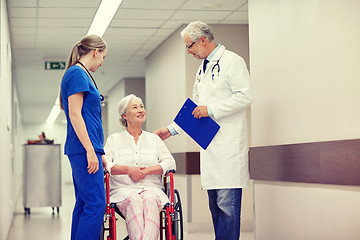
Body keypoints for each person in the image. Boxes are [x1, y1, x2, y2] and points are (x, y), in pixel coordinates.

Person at [153, 21, 252, 240]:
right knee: (216, 208)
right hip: (210, 149)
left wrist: (212, 110)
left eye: (189, 46)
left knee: (228, 210)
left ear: (203, 40)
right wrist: (171, 130)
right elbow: (194, 108)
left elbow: (245, 96)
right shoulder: (203, 68)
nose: (188, 51)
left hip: (228, 149)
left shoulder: (232, 61)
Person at [104, 94, 176, 240]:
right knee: (134, 200)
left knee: (149, 198)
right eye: (135, 107)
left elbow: (170, 163)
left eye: (142, 106)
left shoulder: (154, 139)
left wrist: (147, 171)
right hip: (123, 191)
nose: (140, 110)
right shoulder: (114, 140)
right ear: (124, 115)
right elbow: (106, 165)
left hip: (152, 189)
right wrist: (128, 170)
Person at [59, 35, 108, 240]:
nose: (102, 62)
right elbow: (75, 114)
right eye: (103, 57)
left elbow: (87, 118)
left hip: (86, 148)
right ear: (95, 52)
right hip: (82, 148)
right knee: (96, 203)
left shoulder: (81, 74)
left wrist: (99, 151)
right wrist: (90, 150)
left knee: (84, 203)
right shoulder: (77, 74)